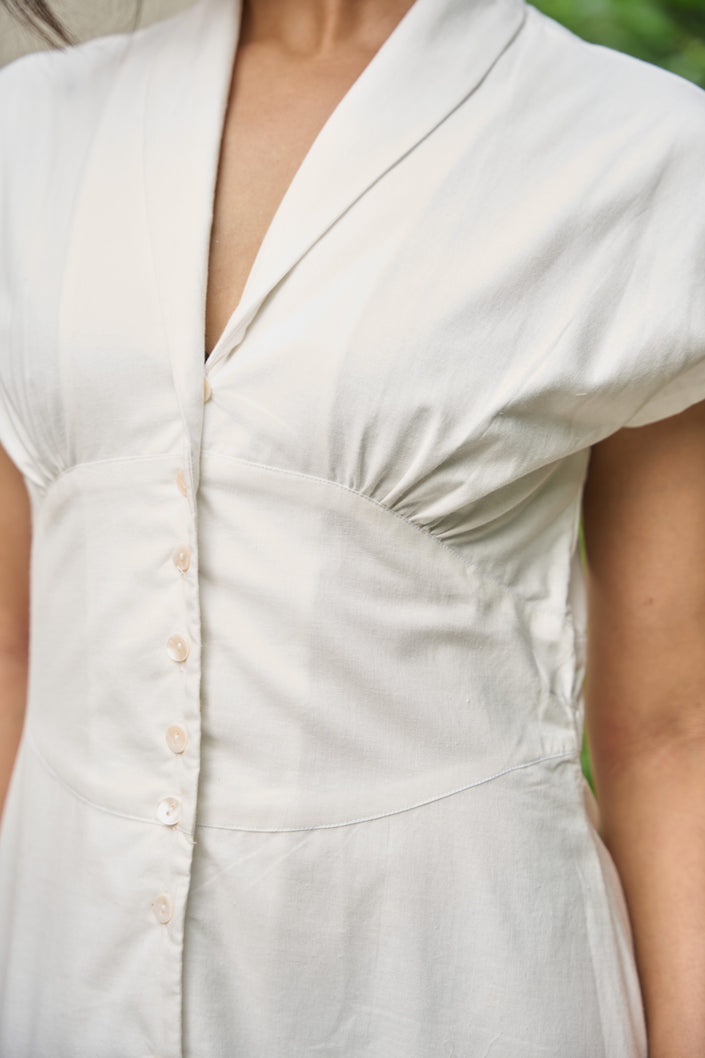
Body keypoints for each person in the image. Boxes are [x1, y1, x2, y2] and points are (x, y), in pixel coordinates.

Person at [0, 0, 704, 1054]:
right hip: (63, 975)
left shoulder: (642, 155)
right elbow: (14, 646)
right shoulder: (31, 130)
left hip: (463, 987)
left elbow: (671, 736)